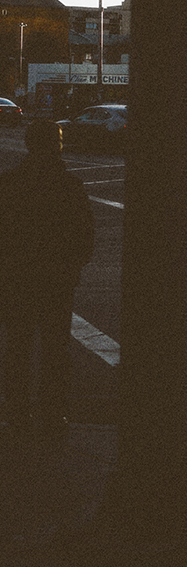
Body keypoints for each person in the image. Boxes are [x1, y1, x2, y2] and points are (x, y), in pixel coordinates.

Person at [0, 119, 95, 439]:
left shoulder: (9, 183)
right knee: (55, 350)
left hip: (17, 279)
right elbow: (85, 236)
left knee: (18, 348)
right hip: (56, 281)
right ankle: (53, 413)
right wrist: (71, 266)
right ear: (55, 146)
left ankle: (17, 413)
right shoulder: (70, 186)